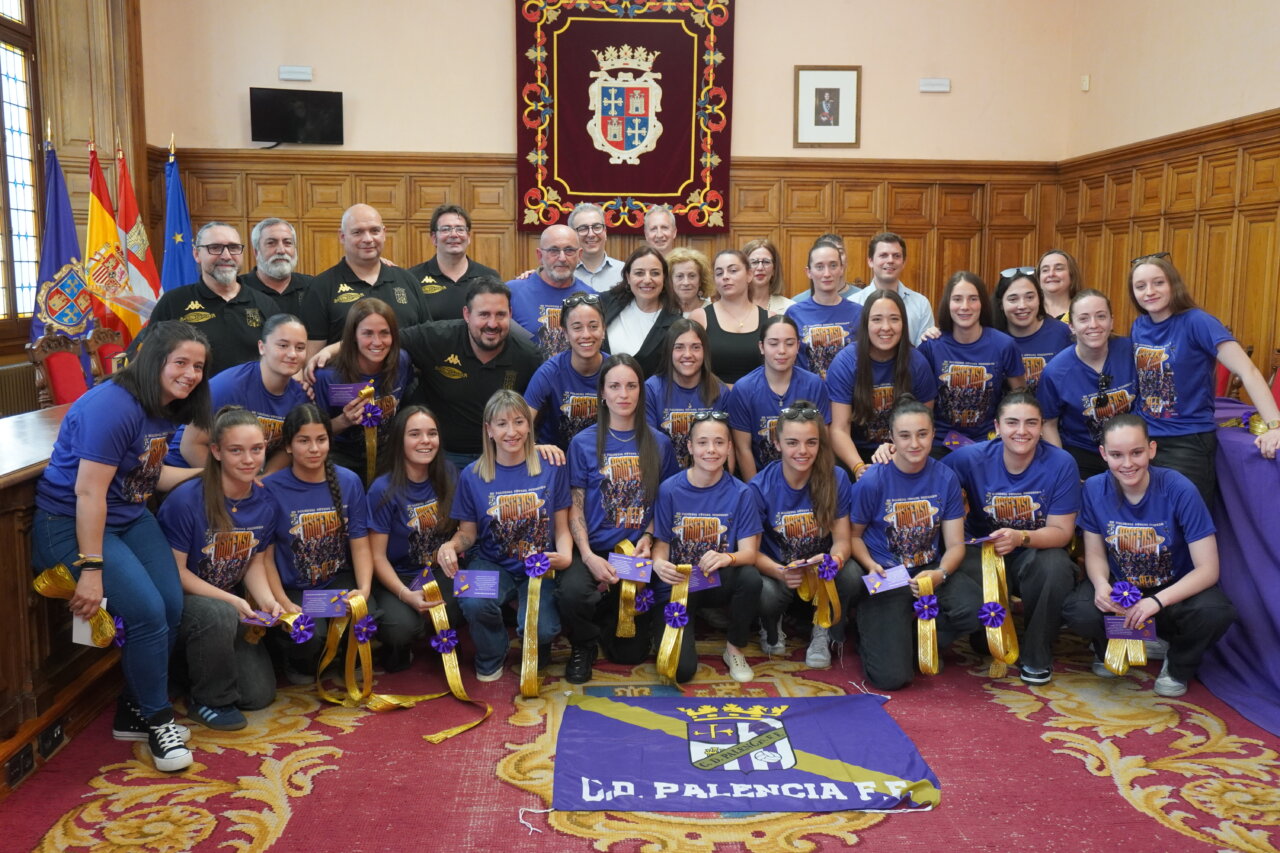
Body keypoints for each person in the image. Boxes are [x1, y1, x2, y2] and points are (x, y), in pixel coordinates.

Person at [33, 320, 211, 771]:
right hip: (70, 524)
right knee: (147, 612)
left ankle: (134, 710)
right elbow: (88, 493)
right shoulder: (114, 405)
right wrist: (91, 569)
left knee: (171, 604)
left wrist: (211, 474)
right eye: (181, 363)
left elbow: (153, 474)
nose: (191, 374)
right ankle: (158, 721)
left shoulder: (164, 404)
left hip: (129, 515)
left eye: (198, 366)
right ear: (154, 359)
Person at [1062, 414, 1237, 697]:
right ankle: (1112, 645)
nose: (1127, 463)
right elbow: (1094, 554)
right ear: (1103, 454)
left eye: (1137, 452)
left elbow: (1208, 569)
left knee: (1215, 611)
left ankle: (1176, 662)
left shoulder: (1179, 488)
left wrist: (1156, 602)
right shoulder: (1094, 488)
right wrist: (1102, 586)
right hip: (1122, 591)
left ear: (1151, 449)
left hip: (1170, 593)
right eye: (1117, 455)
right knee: (1078, 609)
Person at [312, 279, 543, 469]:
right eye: (483, 314)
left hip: (499, 455)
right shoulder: (437, 338)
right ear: (466, 314)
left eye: (500, 314)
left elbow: (536, 411)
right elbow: (381, 340)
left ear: (510, 313)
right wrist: (330, 350)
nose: (492, 323)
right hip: (442, 456)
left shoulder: (527, 356)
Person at [941, 391, 1080, 685]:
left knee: (1055, 565)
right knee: (986, 643)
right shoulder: (970, 458)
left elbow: (1062, 532)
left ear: (1041, 427)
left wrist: (1020, 537)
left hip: (1032, 552)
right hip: (982, 556)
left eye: (1031, 423)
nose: (1021, 431)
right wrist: (890, 454)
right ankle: (987, 633)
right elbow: (926, 476)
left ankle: (1036, 654)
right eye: (1012, 422)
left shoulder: (1061, 463)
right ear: (997, 426)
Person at [157, 407, 281, 730]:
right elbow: (175, 574)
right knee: (217, 613)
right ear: (216, 451)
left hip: (227, 605)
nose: (249, 460)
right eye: (236, 450)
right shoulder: (186, 500)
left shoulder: (266, 502)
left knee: (258, 695)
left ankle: (190, 671)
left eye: (256, 449)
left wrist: (267, 600)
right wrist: (231, 600)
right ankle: (208, 700)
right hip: (183, 603)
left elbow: (254, 561)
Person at [436, 390, 570, 680]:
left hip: (539, 566)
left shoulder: (551, 467)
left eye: (519, 422)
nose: (512, 432)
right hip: (492, 561)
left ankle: (539, 645)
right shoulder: (472, 474)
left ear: (529, 426)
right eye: (502, 424)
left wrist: (566, 555)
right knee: (472, 598)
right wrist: (450, 545)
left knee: (543, 629)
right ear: (489, 429)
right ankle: (492, 652)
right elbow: (467, 534)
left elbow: (562, 526)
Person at [560, 355, 678, 683]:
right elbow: (575, 507)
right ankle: (583, 643)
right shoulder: (582, 443)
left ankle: (610, 607)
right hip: (594, 549)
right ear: (602, 393)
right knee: (572, 593)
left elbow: (668, 502)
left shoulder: (660, 443)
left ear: (641, 391)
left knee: (629, 654)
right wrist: (587, 555)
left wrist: (650, 538)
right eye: (614, 386)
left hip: (637, 556)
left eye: (631, 386)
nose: (623, 394)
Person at [1128, 253, 1280, 505]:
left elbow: (1248, 371)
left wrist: (1275, 426)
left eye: (1158, 283)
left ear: (1173, 284)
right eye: (1140, 286)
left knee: (1187, 520)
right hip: (1145, 439)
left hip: (1187, 442)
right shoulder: (1139, 326)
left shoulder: (1197, 321)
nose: (1149, 292)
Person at [849, 396, 978, 691]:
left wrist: (940, 573)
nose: (914, 444)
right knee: (891, 679)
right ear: (891, 438)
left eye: (922, 434)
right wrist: (870, 564)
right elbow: (853, 536)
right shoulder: (873, 480)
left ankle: (916, 640)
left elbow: (955, 545)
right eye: (905, 436)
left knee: (977, 609)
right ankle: (877, 637)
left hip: (928, 568)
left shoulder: (945, 477)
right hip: (887, 575)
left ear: (933, 434)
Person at [261, 404, 372, 683]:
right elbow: (266, 559)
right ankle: (297, 660)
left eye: (321, 439)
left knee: (365, 617)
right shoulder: (271, 488)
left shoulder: (349, 481)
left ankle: (342, 654)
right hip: (294, 587)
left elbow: (360, 544)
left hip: (336, 580)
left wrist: (364, 590)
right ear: (288, 446)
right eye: (303, 441)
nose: (314, 448)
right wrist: (284, 603)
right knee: (310, 635)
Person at [651, 411, 763, 683]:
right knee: (681, 671)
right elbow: (661, 543)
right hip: (680, 586)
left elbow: (750, 553)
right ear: (690, 447)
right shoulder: (669, 489)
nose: (711, 450)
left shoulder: (742, 493)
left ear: (729, 447)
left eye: (719, 442)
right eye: (702, 442)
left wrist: (727, 558)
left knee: (749, 578)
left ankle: (734, 648)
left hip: (715, 581)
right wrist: (658, 563)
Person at [749, 402, 858, 669]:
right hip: (781, 570)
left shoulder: (836, 478)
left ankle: (823, 628)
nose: (802, 451)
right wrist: (780, 572)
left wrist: (834, 561)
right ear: (777, 444)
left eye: (811, 442)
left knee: (852, 575)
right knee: (761, 589)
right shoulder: (759, 486)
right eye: (792, 442)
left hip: (821, 572)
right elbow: (752, 552)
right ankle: (770, 621)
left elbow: (843, 541)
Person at [366, 406, 460, 672]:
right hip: (397, 576)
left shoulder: (449, 473)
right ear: (400, 440)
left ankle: (433, 632)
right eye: (415, 434)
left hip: (437, 571)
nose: (425, 441)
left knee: (468, 603)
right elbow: (376, 557)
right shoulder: (382, 489)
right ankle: (404, 642)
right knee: (400, 627)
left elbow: (464, 529)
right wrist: (406, 595)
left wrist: (452, 547)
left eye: (432, 433)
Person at [171, 312, 311, 471]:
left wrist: (266, 479)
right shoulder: (229, 386)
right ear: (262, 347)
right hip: (189, 468)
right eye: (283, 345)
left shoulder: (301, 396)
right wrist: (229, 482)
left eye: (300, 348)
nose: (292, 354)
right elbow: (190, 446)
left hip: (242, 473)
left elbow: (287, 448)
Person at [138, 222, 278, 378]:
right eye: (215, 248)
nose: (226, 256)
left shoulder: (265, 304)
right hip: (192, 393)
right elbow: (150, 361)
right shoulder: (173, 302)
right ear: (196, 254)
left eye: (233, 247)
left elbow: (278, 358)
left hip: (252, 393)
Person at [828, 288, 936, 476]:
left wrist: (896, 452)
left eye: (894, 319)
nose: (886, 327)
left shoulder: (917, 363)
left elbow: (923, 428)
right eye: (877, 319)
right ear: (865, 324)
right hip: (855, 453)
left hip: (903, 449)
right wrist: (859, 468)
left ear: (903, 324)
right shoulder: (845, 363)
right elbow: (839, 429)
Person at [301, 204, 433, 354]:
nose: (368, 239)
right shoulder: (321, 287)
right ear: (342, 236)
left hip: (405, 369)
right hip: (345, 370)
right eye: (357, 232)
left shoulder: (408, 280)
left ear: (384, 233)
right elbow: (313, 357)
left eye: (374, 231)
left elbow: (427, 341)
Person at [918, 271, 1026, 452]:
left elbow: (1021, 396)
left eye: (973, 299)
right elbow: (918, 405)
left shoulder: (1004, 345)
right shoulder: (931, 345)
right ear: (948, 303)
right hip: (939, 443)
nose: (965, 306)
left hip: (988, 443)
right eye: (957, 299)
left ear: (982, 303)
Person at [1038, 289, 1137, 480]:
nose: (1093, 325)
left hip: (1130, 449)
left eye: (1101, 316)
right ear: (1072, 326)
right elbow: (1048, 424)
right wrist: (1062, 468)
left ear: (1111, 321)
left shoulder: (1131, 352)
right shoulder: (1055, 372)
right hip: (1083, 454)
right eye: (1083, 319)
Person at [311, 298, 413, 482]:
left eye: (384, 333)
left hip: (388, 454)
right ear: (353, 336)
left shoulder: (401, 362)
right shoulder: (328, 377)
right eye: (367, 333)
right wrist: (344, 421)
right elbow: (313, 434)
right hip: (341, 458)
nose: (377, 342)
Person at [726, 315, 830, 480]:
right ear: (762, 347)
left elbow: (823, 442)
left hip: (807, 478)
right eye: (773, 344)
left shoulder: (814, 385)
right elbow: (743, 449)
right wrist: (755, 490)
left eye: (789, 343)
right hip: (761, 480)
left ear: (798, 346)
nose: (782, 350)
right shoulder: (744, 389)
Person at [525, 292, 608, 450]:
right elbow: (519, 425)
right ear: (565, 333)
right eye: (577, 328)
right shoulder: (549, 372)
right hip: (555, 458)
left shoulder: (616, 370)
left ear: (604, 330)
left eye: (593, 326)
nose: (586, 335)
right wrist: (535, 448)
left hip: (600, 457)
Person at [645, 318, 728, 468]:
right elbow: (649, 446)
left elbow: (729, 447)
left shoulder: (720, 391)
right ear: (668, 351)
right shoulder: (651, 389)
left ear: (705, 351)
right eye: (679, 347)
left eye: (695, 347)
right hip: (665, 476)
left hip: (709, 475)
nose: (688, 354)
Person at [508, 224, 593, 359]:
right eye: (554, 250)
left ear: (579, 255)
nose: (562, 258)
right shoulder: (512, 292)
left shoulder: (591, 297)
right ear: (540, 255)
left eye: (569, 250)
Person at [687, 250, 770, 384]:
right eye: (719, 273)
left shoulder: (770, 318)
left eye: (733, 271)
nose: (725, 277)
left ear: (749, 275)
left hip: (758, 394)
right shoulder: (700, 317)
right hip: (713, 395)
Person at [408, 204, 501, 321]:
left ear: (468, 236)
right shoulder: (412, 278)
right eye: (446, 229)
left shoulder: (489, 277)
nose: (453, 235)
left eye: (460, 229)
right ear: (434, 238)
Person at [785, 239, 862, 379]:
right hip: (807, 390)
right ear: (809, 272)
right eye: (819, 267)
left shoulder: (858, 312)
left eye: (833, 265)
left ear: (841, 269)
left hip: (848, 389)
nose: (827, 273)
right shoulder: (794, 313)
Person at [602, 246, 680, 377]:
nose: (647, 280)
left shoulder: (675, 323)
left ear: (664, 277)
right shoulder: (607, 302)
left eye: (655, 273)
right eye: (639, 273)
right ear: (628, 277)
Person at [992, 268, 1072, 393]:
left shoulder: (1063, 333)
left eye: (1029, 297)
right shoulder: (992, 338)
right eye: (1013, 299)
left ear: (1039, 299)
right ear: (1001, 304)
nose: (1022, 306)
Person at [849, 233, 935, 345]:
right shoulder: (853, 303)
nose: (890, 260)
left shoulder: (921, 304)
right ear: (870, 261)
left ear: (903, 262)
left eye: (896, 256)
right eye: (883, 255)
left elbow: (925, 350)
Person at [240, 218, 312, 317]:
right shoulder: (239, 289)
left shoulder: (313, 287)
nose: (281, 250)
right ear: (256, 252)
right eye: (271, 243)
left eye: (287, 243)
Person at [566, 203, 623, 293]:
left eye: (596, 227)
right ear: (572, 235)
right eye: (583, 228)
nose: (591, 234)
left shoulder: (624, 272)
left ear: (605, 232)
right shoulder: (563, 272)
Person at [792, 233, 858, 302]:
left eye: (839, 252)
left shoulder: (862, 299)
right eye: (826, 252)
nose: (833, 257)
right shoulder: (797, 302)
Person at [743, 239, 794, 315]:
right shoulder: (730, 305)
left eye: (766, 262)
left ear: (774, 269)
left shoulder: (790, 308)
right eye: (754, 262)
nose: (760, 268)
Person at [1037, 249, 1082, 322]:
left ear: (1072, 275)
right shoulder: (1030, 312)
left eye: (1058, 269)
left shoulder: (1083, 311)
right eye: (1045, 270)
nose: (1051, 274)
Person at [666, 246, 713, 315]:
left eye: (692, 276)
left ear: (701, 280)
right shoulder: (662, 312)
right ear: (670, 280)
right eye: (679, 276)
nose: (686, 282)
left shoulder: (713, 311)